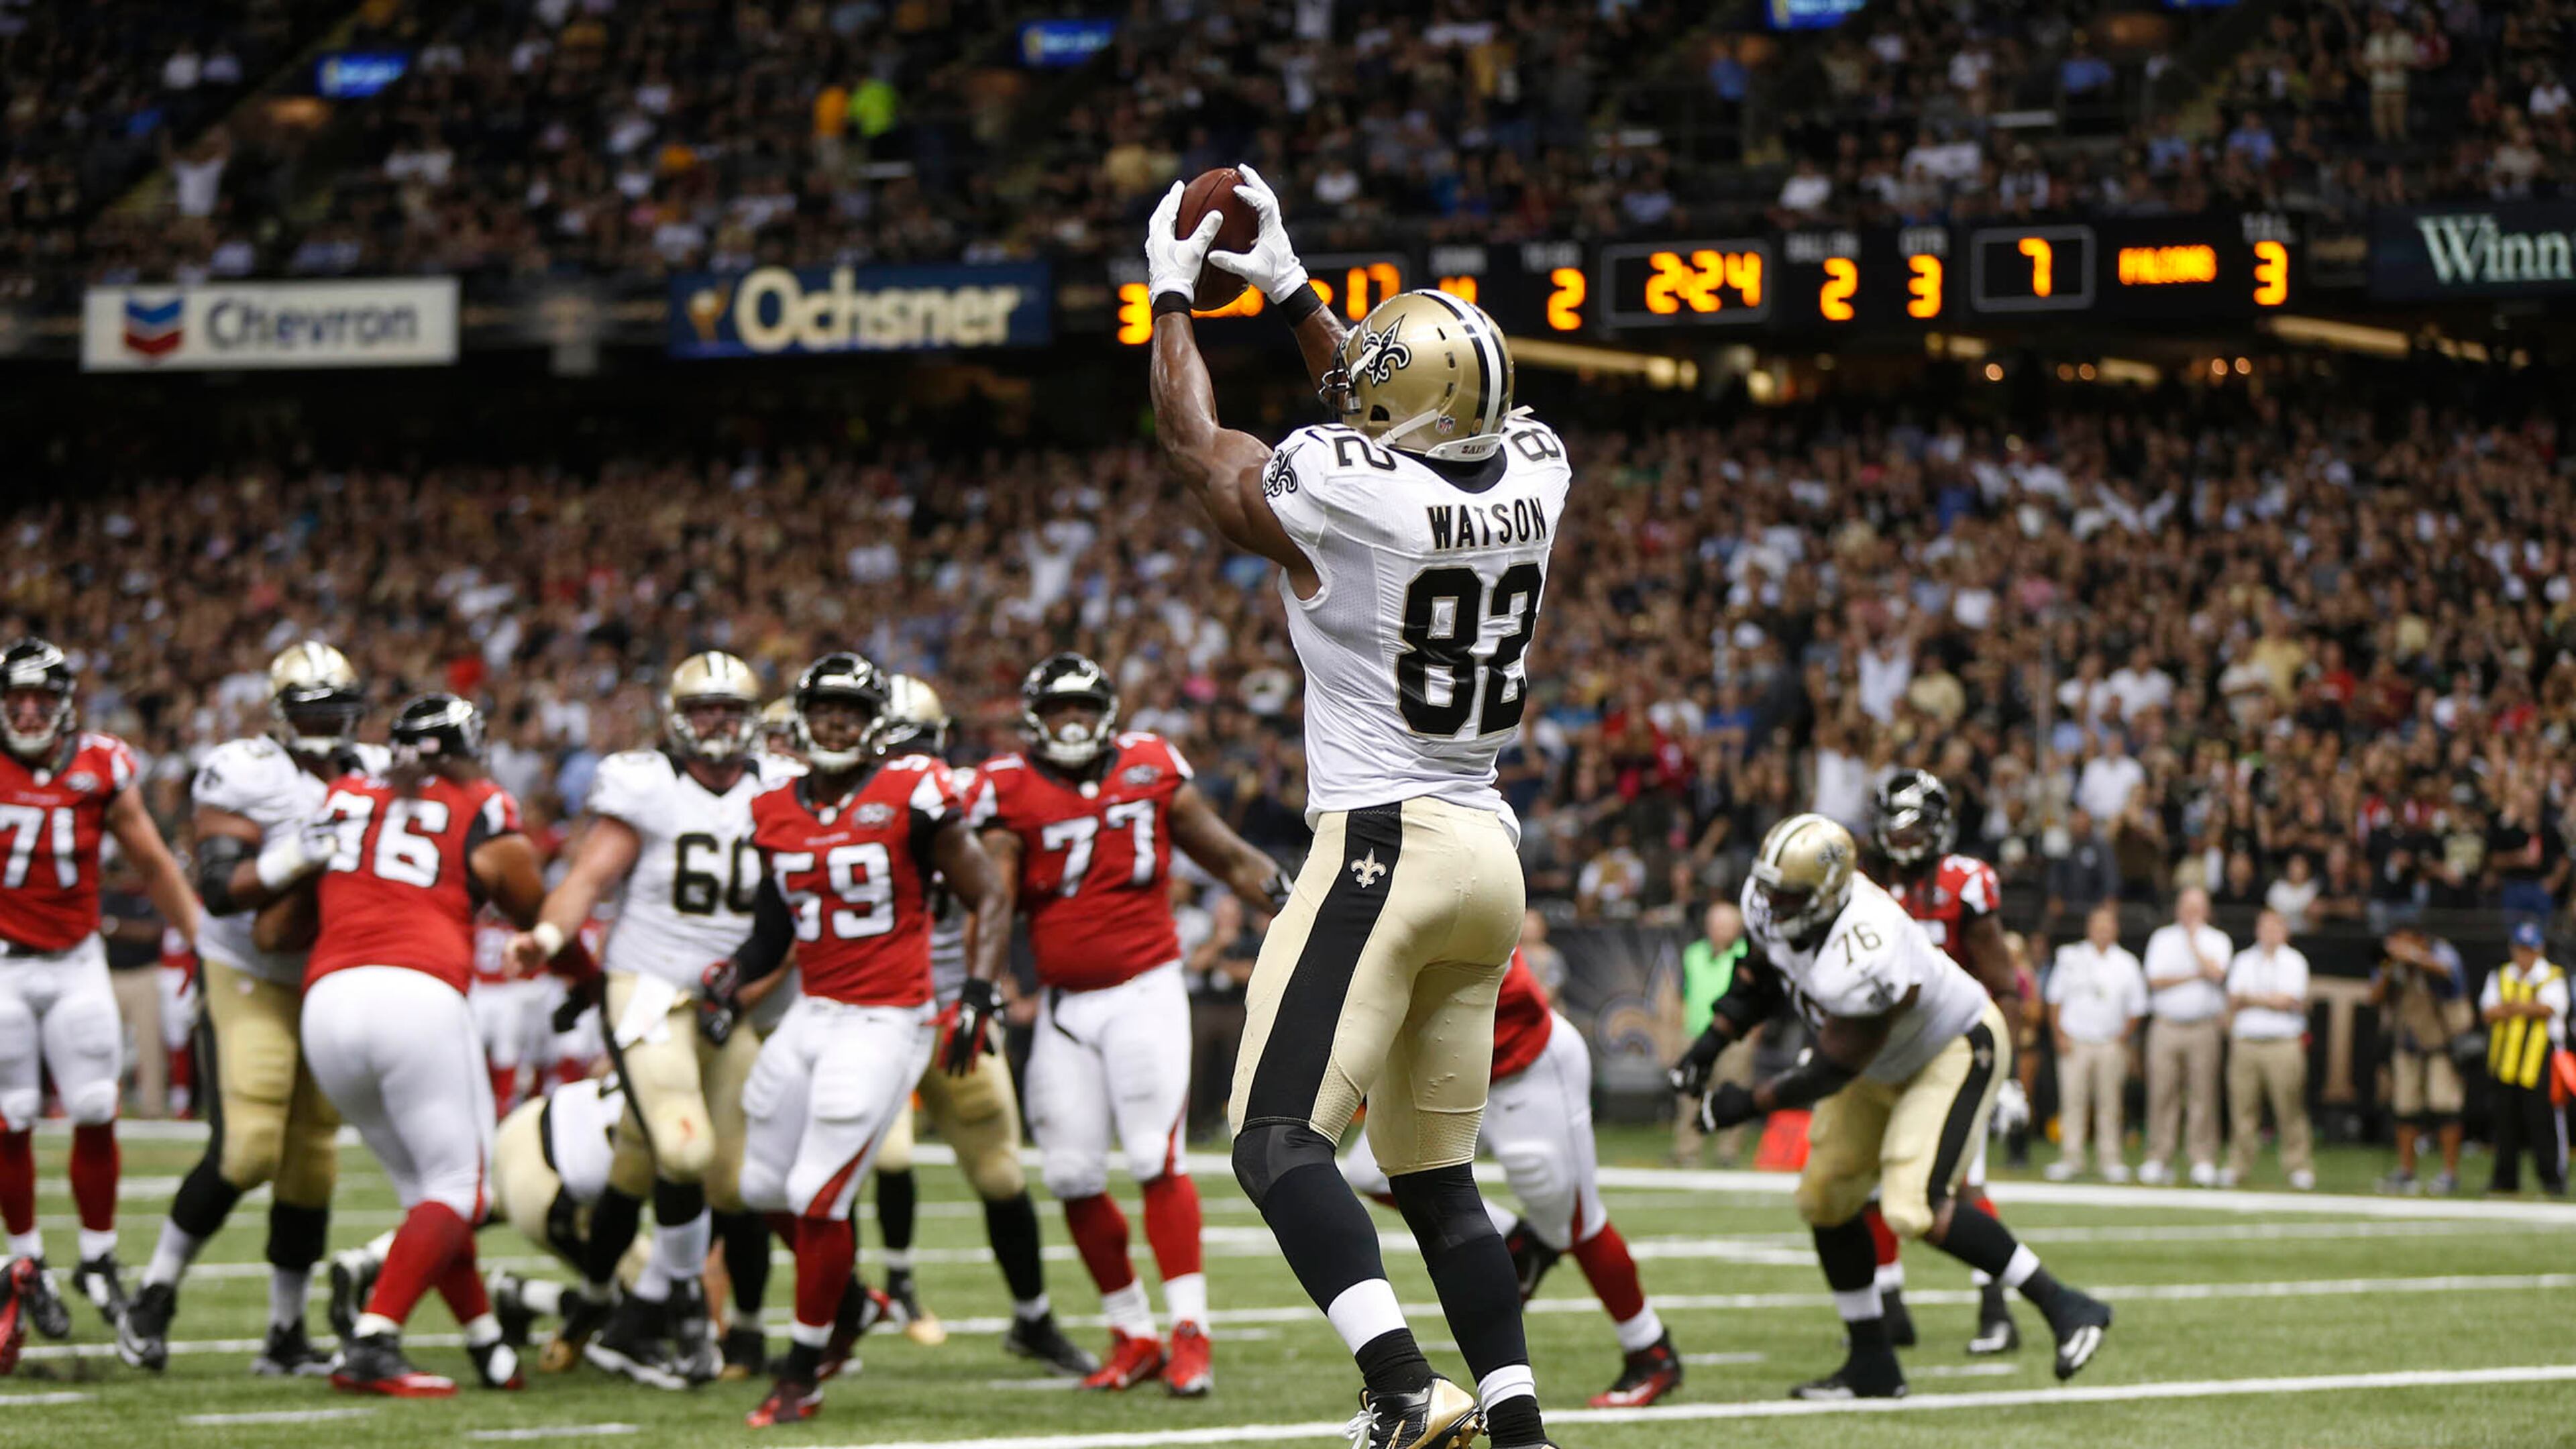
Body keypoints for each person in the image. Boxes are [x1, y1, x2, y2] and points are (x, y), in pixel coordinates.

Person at [1148, 166, 1568, 1449]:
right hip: (1489, 850)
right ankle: (1521, 1431)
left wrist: (1173, 296)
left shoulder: (1354, 490)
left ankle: (1397, 1384)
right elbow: (1388, 400)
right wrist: (1292, 290)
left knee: (1275, 1143)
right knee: (1439, 1182)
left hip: (1386, 839)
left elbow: (1196, 450)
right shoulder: (1542, 466)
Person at [1671, 814, 2113, 1400]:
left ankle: (2067, 1305)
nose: (1772, 905)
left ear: (1827, 893)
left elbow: (1832, 1067)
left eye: (1790, 895)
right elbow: (1759, 976)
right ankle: (1872, 1362)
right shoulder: (1772, 901)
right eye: (1771, 889)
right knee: (1824, 1198)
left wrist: (1744, 1105)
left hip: (1950, 1049)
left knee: (1913, 1206)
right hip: (1878, 1062)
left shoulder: (1868, 946)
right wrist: (1709, 1044)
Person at [973, 651, 1288, 1395]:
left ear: (1109, 711)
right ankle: (1131, 1331)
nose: (1072, 721)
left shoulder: (1149, 767)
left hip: (1144, 990)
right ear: (1034, 720)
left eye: (1083, 707)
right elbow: (992, 895)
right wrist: (979, 985)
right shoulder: (1007, 788)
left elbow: (1226, 854)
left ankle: (1190, 1331)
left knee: (1154, 1155)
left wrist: (1292, 899)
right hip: (1063, 1006)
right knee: (1074, 1174)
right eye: (1057, 710)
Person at [712, 651, 1014, 1428]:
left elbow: (988, 891)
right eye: (823, 710)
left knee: (819, 1195)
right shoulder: (775, 809)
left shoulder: (909, 791)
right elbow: (772, 930)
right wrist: (731, 977)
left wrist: (978, 991)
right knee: (758, 1190)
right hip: (815, 1009)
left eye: (849, 710)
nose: (835, 723)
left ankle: (803, 1371)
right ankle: (854, 1301)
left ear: (876, 721)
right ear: (801, 720)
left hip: (889, 1016)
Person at [506, 653, 794, 1386]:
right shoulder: (650, 785)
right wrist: (547, 936)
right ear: (677, 718)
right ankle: (684, 1313)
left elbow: (798, 909)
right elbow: (588, 878)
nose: (720, 724)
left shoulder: (783, 790)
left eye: (732, 710)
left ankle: (607, 1309)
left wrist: (754, 990)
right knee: (685, 1150)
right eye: (706, 711)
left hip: (725, 1000)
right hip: (648, 988)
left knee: (726, 1181)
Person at [305, 693, 573, 1397]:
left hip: (326, 999)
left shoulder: (343, 793)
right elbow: (525, 896)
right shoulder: (478, 798)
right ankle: (374, 1338)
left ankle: (486, 1342)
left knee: (434, 1196)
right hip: (414, 992)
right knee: (460, 1189)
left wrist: (487, 1343)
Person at [123, 643, 376, 1376]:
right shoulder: (245, 770)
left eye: (337, 707)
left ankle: (285, 1334)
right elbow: (219, 885)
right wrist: (303, 854)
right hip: (247, 967)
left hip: (328, 975)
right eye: (311, 709)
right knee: (248, 1146)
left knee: (313, 1161)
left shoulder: (379, 773)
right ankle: (154, 1294)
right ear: (280, 714)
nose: (327, 721)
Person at [862, 677, 1094, 1376]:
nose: (909, 760)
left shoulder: (964, 796)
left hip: (949, 1005)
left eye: (919, 744)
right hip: (868, 1011)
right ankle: (867, 1299)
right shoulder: (835, 803)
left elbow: (1005, 884)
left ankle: (1033, 1319)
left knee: (999, 1169)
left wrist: (986, 983)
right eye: (896, 744)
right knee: (878, 1158)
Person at [1344, 951, 1682, 1409]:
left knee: (1573, 1224)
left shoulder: (1455, 891)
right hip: (1440, 1067)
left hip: (1521, 1063)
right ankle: (1517, 1244)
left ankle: (1651, 1349)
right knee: (1373, 1171)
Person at [0, 637, 200, 1369]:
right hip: (3, 964)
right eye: (15, 698)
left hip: (80, 956)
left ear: (65, 706)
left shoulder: (101, 765)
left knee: (95, 1104)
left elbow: (149, 859)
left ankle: (97, 1255)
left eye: (40, 699)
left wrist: (199, 939)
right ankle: (26, 1265)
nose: (27, 711)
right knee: (12, 1118)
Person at [1868, 769, 2029, 1354]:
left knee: (1964, 1185)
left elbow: (2005, 987)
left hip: (1957, 1054)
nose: (1903, 839)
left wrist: (2007, 1078)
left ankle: (1997, 1309)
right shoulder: (1867, 885)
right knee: (1870, 1181)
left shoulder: (1965, 882)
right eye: (1894, 827)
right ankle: (1888, 1307)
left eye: (1915, 827)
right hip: (1886, 1054)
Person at [2044, 905, 2146, 1182]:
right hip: (2075, 1040)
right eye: (2098, 925)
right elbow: (2054, 999)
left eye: (2108, 925)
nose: (2103, 931)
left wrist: (2122, 1038)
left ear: (2116, 930)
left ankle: (2110, 1159)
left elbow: (2137, 1007)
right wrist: (2059, 1036)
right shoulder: (2071, 958)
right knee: (2072, 1101)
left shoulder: (2127, 963)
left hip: (2110, 1042)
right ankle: (2071, 1158)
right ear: (2090, 929)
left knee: (2110, 1104)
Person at [2139, 888, 2232, 1186]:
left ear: (2206, 910)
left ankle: (2202, 1158)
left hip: (2203, 1027)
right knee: (2162, 1093)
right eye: (2186, 906)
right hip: (2166, 1025)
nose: (2191, 912)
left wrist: (2194, 945)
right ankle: (2158, 1157)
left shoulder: (2217, 940)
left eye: (2197, 907)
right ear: (2178, 908)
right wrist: (2194, 975)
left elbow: (2217, 974)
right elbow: (2155, 980)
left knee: (2203, 1095)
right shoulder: (2162, 938)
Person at [2222, 910, 2314, 1190]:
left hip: (2283, 1043)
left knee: (2289, 1108)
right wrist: (2267, 999)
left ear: (2284, 931)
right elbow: (2234, 999)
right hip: (2247, 1042)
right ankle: (2238, 1165)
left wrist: (2252, 998)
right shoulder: (2243, 960)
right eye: (2265, 927)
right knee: (2242, 1109)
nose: (2270, 933)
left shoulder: (2295, 961)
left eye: (2276, 927)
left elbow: (2288, 1000)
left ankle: (2298, 1165)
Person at [2371, 927, 2468, 1194]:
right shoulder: (2392, 963)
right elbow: (2374, 996)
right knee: (2405, 1109)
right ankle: (2406, 1171)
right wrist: (2390, 968)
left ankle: (2449, 1174)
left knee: (2445, 1107)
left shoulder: (2441, 952)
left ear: (2417, 939)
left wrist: (2413, 956)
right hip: (2408, 1043)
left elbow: (2447, 972)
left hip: (2441, 1043)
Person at [2479, 921, 2566, 1196]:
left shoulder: (2552, 975)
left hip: (2539, 1062)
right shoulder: (2501, 974)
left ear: (2539, 949)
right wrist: (2524, 1008)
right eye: (2520, 949)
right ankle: (2505, 1179)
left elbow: (2551, 1008)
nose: (2524, 956)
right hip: (2505, 1062)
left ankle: (2552, 1179)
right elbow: (2488, 1012)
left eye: (2529, 949)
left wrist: (2514, 1008)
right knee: (2505, 1124)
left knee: (2542, 1123)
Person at [1672, 900, 1752, 1167]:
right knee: (1690, 1094)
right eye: (1715, 924)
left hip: (1735, 1037)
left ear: (1737, 928)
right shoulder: (1693, 954)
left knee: (1730, 1093)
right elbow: (1681, 995)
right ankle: (1687, 1151)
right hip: (1696, 1033)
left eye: (1725, 925)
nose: (1719, 930)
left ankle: (1728, 1153)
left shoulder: (1748, 956)